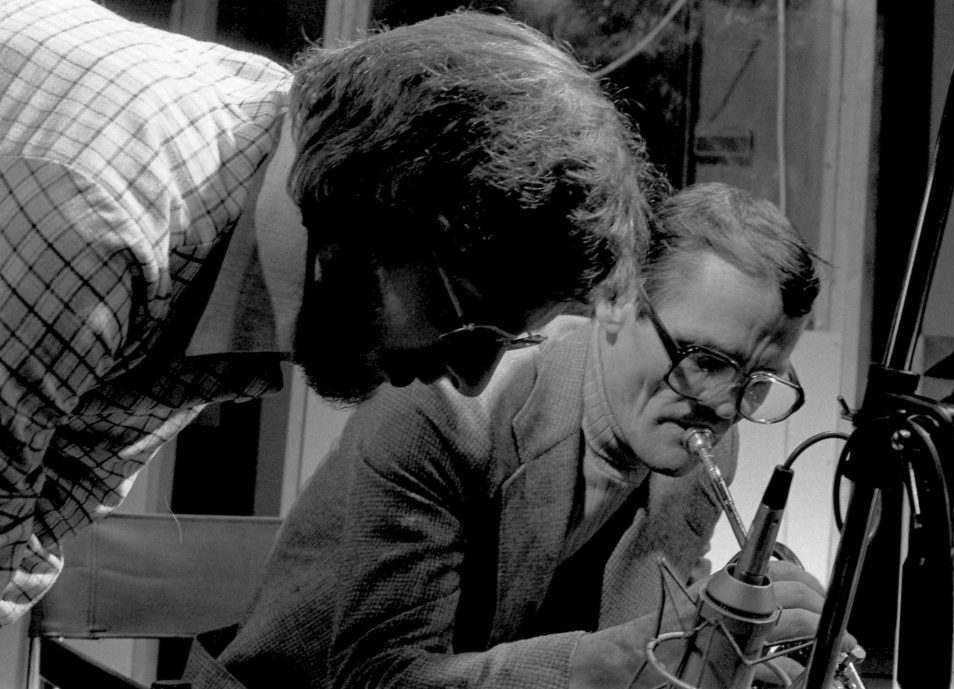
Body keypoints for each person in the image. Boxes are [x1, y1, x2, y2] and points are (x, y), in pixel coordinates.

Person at [0, 0, 655, 624]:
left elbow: (37, 519)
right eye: (472, 326)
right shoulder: (108, 216)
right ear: (385, 205)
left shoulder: (264, 205)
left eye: (509, 344)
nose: (471, 382)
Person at [184, 182, 856, 689]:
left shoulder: (702, 445)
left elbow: (656, 630)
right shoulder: (447, 412)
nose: (725, 407)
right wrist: (636, 654)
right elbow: (382, 677)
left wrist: (740, 663)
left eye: (759, 381)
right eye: (705, 361)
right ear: (615, 300)